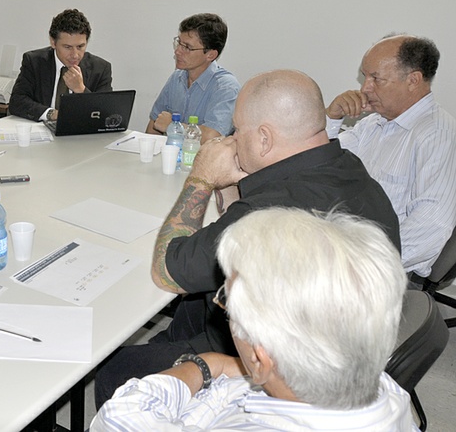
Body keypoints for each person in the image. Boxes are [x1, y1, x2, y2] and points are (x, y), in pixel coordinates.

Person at [94, 69, 401, 408]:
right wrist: (234, 182)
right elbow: (236, 226)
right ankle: (170, 344)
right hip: (342, 338)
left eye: (237, 130)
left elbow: (168, 271)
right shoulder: (345, 165)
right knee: (203, 294)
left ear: (265, 138)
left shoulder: (272, 209)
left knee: (117, 368)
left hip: (289, 369)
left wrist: (201, 179)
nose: (231, 137)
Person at [92, 207, 415, 431]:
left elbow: (120, 416)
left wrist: (206, 364)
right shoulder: (389, 392)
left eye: (226, 303)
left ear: (261, 361)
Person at [326, 34, 456, 278]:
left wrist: (358, 265)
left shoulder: (437, 135)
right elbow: (318, 162)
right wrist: (332, 118)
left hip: (383, 270)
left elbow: (431, 226)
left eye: (376, 78)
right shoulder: (373, 124)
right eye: (365, 77)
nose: (365, 88)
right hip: (343, 248)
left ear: (413, 80)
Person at [146, 13, 240, 143]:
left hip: (206, 161)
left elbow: (213, 136)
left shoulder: (226, 87)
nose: (178, 51)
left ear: (210, 55)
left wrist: (173, 126)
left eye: (187, 47)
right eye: (179, 43)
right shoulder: (176, 78)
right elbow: (155, 124)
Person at [8, 8, 112, 122]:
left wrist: (81, 90)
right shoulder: (34, 62)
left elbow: (106, 113)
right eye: (67, 47)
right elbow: (17, 102)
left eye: (80, 46)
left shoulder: (100, 68)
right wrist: (51, 114)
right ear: (53, 42)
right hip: (41, 131)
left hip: (80, 135)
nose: (75, 55)